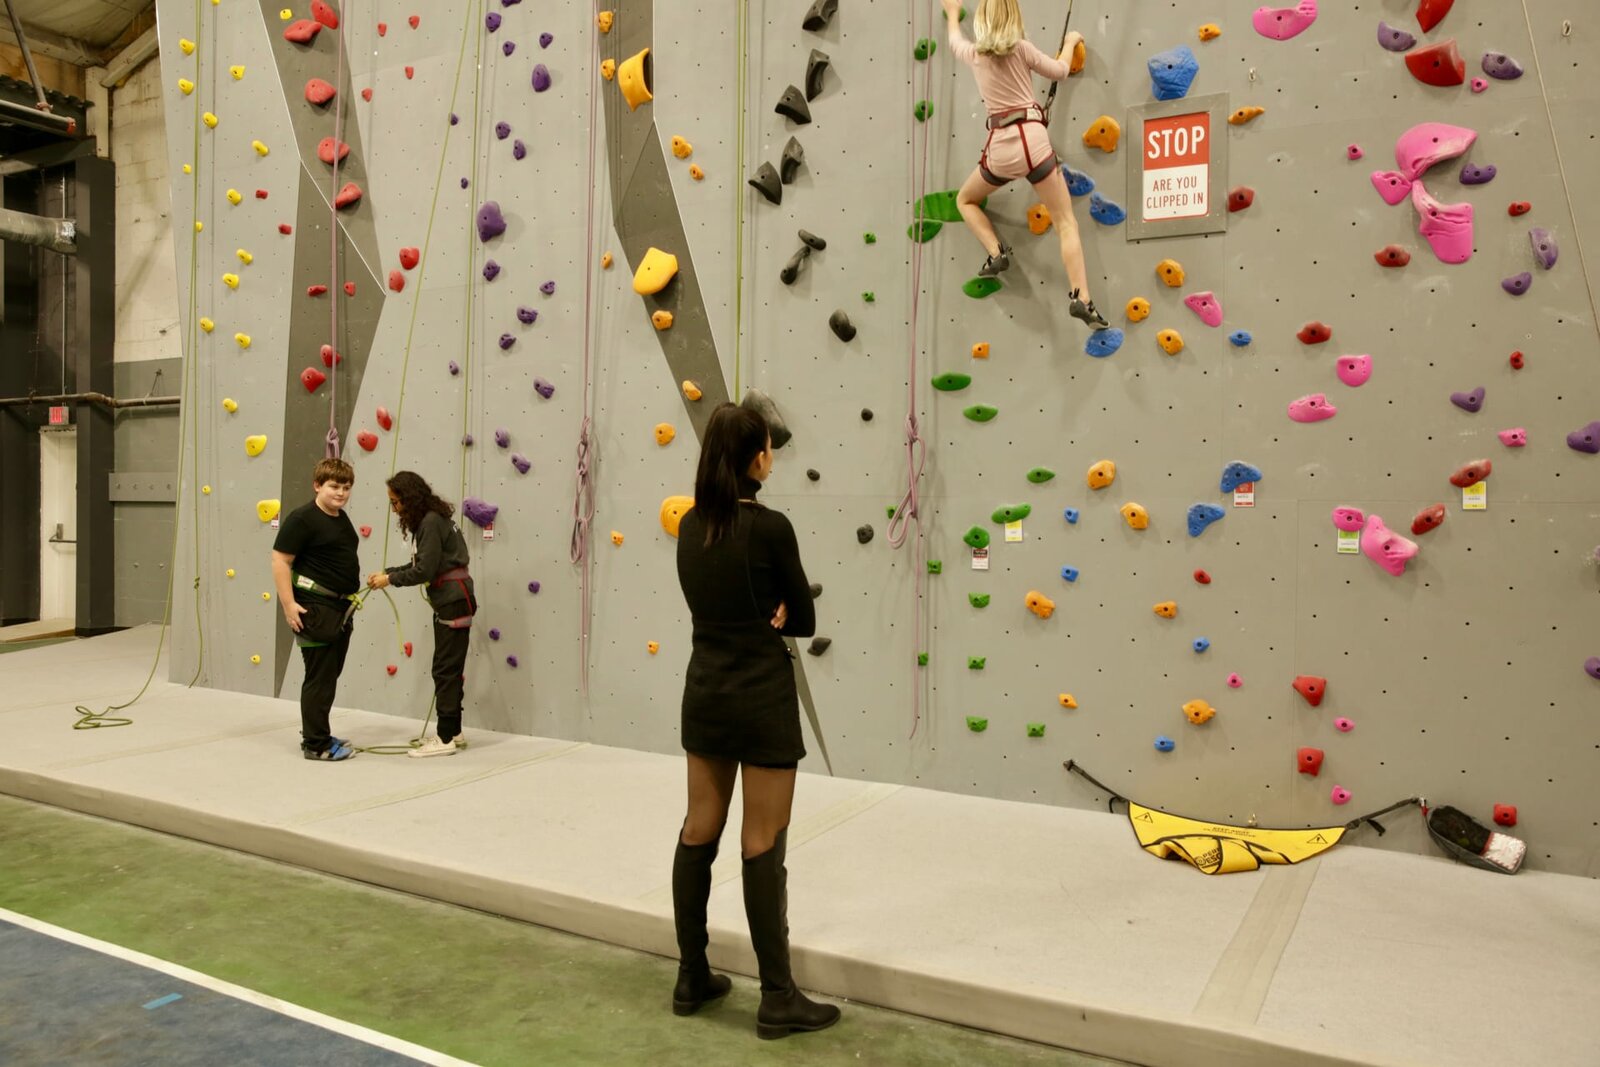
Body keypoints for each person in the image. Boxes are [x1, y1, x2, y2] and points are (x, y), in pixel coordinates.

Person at [671, 403, 839, 1039]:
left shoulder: (691, 525)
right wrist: (781, 609)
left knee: (698, 829)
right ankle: (777, 997)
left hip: (706, 692)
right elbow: (803, 618)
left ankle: (692, 975)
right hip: (761, 698)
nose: (773, 455)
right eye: (769, 446)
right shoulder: (771, 527)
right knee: (761, 840)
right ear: (755, 458)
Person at [943, 0, 1110, 329]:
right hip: (1033, 144)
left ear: (982, 20)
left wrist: (951, 14)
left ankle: (996, 252)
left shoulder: (975, 54)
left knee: (965, 200)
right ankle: (1082, 298)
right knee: (1065, 222)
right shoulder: (1021, 49)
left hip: (1000, 149)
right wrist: (1071, 41)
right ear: (1014, 17)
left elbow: (954, 41)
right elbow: (1060, 71)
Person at [366, 471, 475, 758]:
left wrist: (390, 580)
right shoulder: (434, 520)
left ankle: (445, 737)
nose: (394, 509)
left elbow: (424, 571)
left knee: (445, 670)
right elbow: (424, 563)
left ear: (409, 499)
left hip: (453, 600)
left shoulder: (429, 522)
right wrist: (389, 572)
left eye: (395, 502)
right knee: (448, 668)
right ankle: (454, 731)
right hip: (454, 599)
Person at [270, 457, 361, 761]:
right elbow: (280, 560)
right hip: (314, 607)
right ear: (317, 485)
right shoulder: (303, 519)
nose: (341, 493)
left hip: (338, 608)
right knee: (319, 678)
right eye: (334, 486)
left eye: (346, 487)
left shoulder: (339, 517)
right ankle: (316, 744)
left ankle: (319, 732)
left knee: (328, 676)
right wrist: (289, 605)